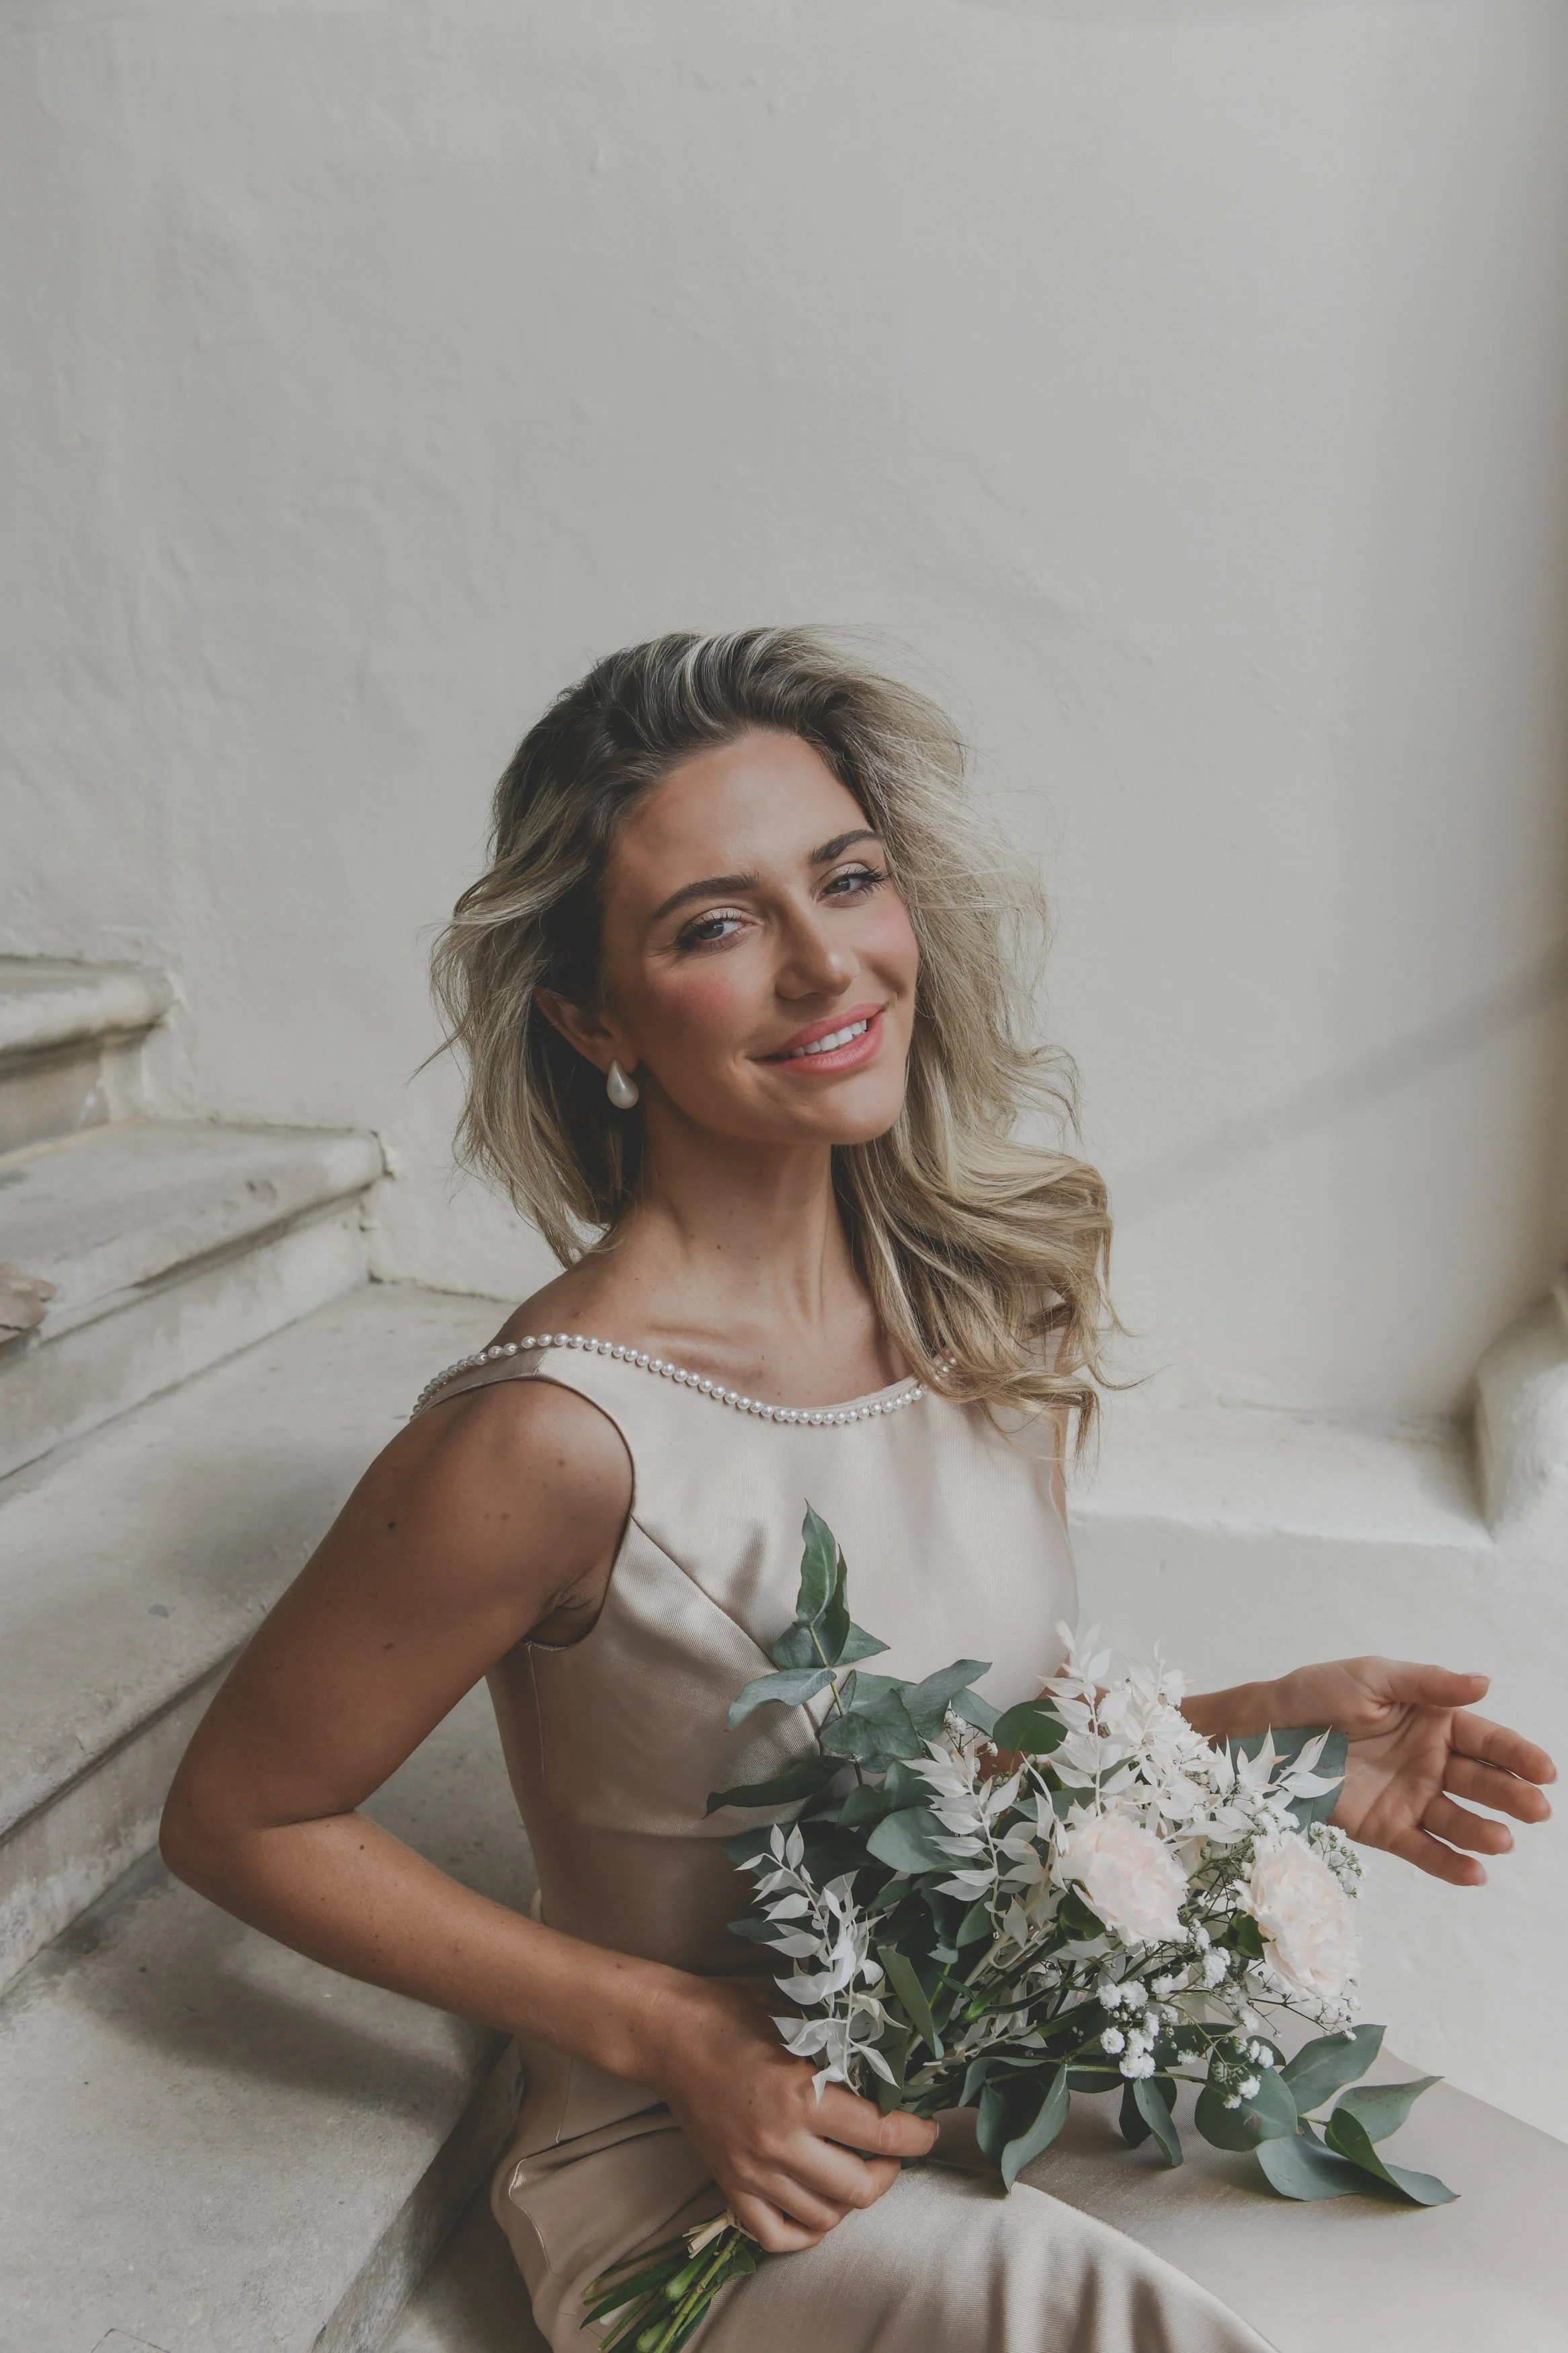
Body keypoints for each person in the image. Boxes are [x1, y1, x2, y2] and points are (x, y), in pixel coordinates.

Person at [162, 631, 1563, 2352]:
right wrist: (677, 2035)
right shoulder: (552, 1433)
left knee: (1525, 2262)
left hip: (1007, 2044)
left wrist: (1246, 1745)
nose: (829, 966)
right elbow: (239, 1815)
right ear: (593, 1018)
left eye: (847, 879)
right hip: (715, 2157)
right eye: (718, 923)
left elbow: (944, 1783)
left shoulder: (977, 1310)